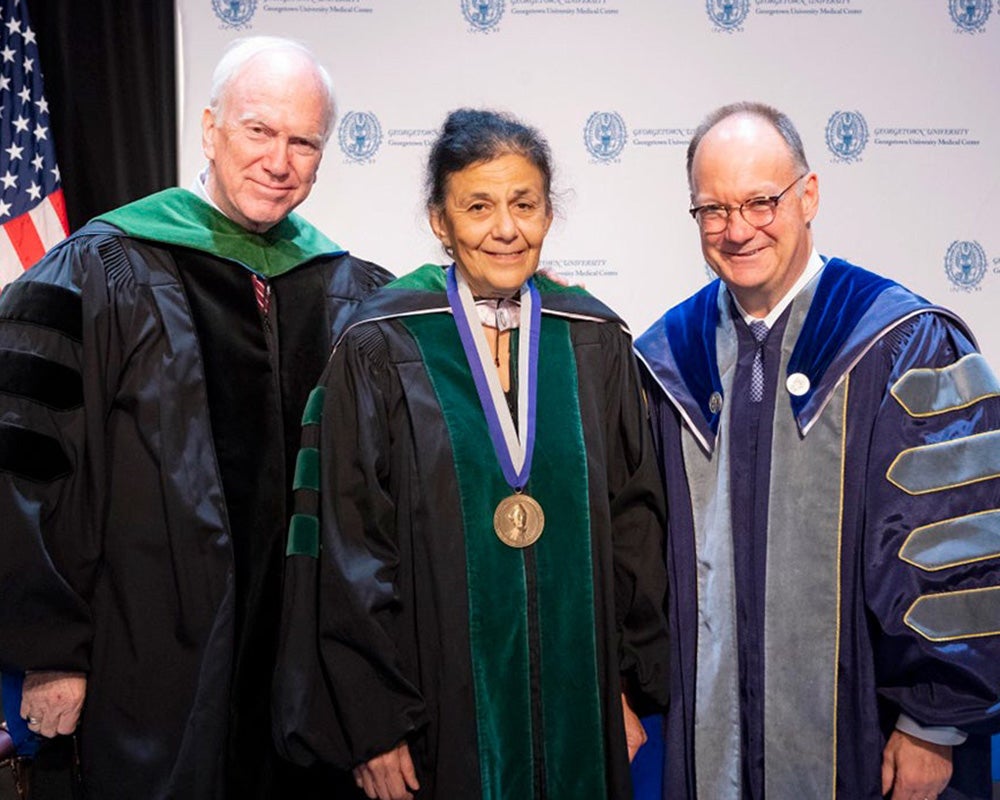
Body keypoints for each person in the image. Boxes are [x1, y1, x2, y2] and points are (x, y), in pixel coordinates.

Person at [0, 36, 392, 799]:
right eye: (258, 130)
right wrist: (51, 649)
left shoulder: (349, 291)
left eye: (303, 141)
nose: (279, 161)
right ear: (209, 129)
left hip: (306, 678)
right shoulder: (102, 268)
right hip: (145, 667)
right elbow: (24, 464)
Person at [272, 108, 670, 800]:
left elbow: (634, 527)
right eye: (478, 206)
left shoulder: (595, 338)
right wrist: (375, 722)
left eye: (525, 204)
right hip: (435, 716)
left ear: (549, 213)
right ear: (439, 219)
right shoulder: (381, 344)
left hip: (582, 706)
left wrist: (629, 687)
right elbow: (346, 546)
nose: (505, 228)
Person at [634, 101, 1000, 800]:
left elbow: (962, 538)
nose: (737, 230)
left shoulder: (903, 343)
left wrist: (933, 725)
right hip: (713, 745)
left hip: (876, 742)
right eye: (712, 209)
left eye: (760, 202)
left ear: (809, 195)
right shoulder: (667, 360)